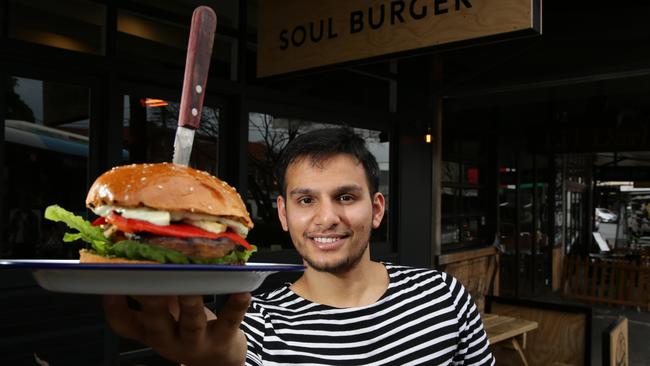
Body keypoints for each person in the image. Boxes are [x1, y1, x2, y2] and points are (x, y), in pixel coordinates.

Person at [104, 127, 495, 366]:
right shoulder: (260, 326)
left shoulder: (443, 294)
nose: (326, 218)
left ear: (376, 209)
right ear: (284, 214)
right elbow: (225, 348)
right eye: (306, 200)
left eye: (345, 197)